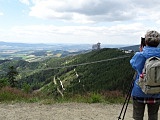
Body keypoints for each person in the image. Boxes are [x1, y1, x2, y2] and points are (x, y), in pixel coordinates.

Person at [130, 30, 160, 120]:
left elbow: (133, 65)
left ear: (145, 42)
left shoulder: (140, 55)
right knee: (153, 115)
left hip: (139, 91)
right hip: (157, 91)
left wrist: (141, 51)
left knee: (138, 116)